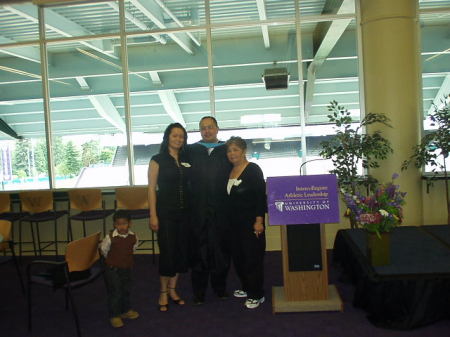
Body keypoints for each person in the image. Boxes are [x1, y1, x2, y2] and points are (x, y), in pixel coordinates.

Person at [187, 116, 232, 304]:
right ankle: (199, 293)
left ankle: (220, 288)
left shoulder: (227, 150)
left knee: (221, 250)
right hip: (197, 211)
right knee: (199, 251)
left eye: (210, 127)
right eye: (203, 128)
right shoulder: (190, 151)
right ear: (199, 131)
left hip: (222, 210)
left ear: (217, 129)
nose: (207, 131)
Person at [148, 122, 190, 312]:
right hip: (165, 214)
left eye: (181, 136)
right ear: (167, 138)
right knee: (167, 253)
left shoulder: (186, 158)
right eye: (175, 135)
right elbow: (151, 189)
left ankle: (173, 290)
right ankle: (163, 291)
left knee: (180, 252)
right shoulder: (157, 160)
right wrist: (153, 215)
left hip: (185, 214)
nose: (178, 139)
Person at [225, 136, 267, 309]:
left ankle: (257, 295)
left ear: (243, 151)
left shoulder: (253, 169)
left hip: (251, 224)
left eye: (235, 149)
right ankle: (246, 287)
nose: (232, 153)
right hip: (234, 225)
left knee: (252, 259)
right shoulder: (230, 171)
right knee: (239, 258)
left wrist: (259, 221)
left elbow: (259, 197)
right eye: (229, 150)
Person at [100, 210, 140, 328]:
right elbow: (104, 251)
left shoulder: (134, 237)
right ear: (114, 225)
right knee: (115, 291)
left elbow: (133, 249)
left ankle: (125, 310)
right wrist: (114, 261)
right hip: (113, 269)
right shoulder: (109, 237)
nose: (121, 226)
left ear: (130, 223)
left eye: (124, 223)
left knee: (126, 290)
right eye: (118, 224)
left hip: (127, 268)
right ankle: (114, 315)